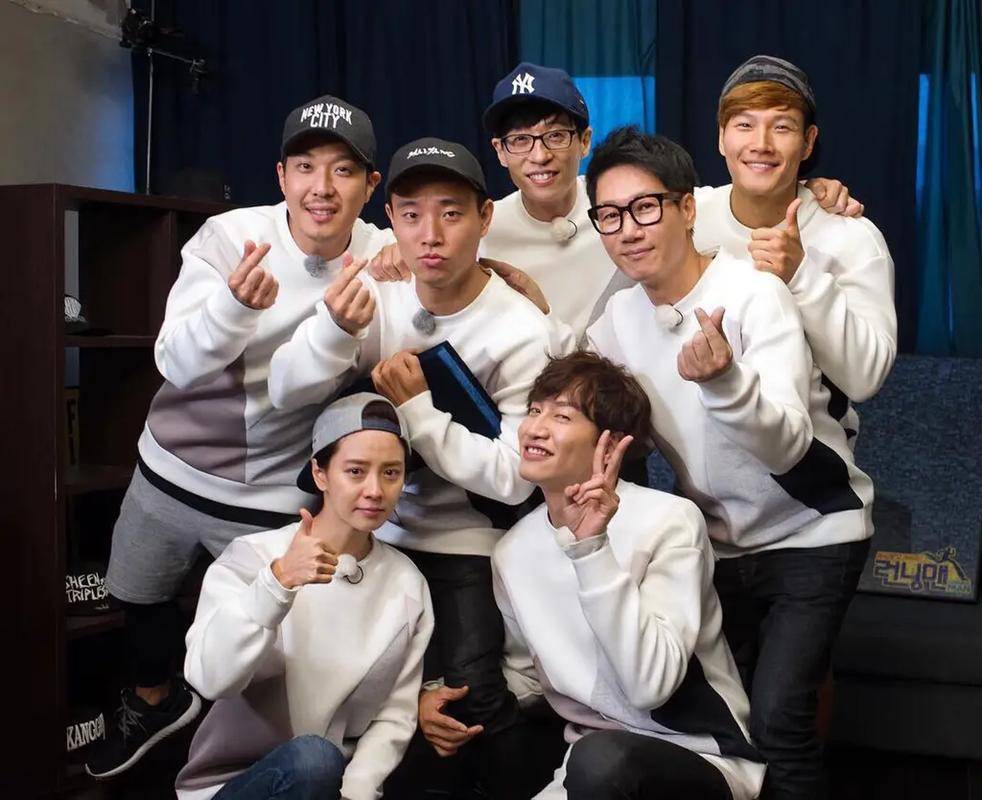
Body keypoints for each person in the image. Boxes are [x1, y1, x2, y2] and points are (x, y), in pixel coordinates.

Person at [87, 94, 393, 778]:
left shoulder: (384, 256)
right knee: (136, 596)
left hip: (272, 498)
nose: (321, 187)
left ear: (370, 186)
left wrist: (507, 274)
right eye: (305, 167)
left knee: (267, 646)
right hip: (171, 468)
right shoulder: (230, 237)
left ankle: (239, 765)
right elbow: (175, 363)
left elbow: (291, 393)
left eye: (343, 170)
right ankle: (155, 703)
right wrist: (231, 308)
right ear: (281, 176)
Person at [268, 138, 573, 793]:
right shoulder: (377, 291)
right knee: (356, 691)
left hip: (468, 541)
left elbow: (514, 478)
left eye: (451, 213)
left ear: (485, 218)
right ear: (390, 220)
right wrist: (331, 332)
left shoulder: (521, 330)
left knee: (468, 700)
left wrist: (420, 410)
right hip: (373, 532)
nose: (429, 234)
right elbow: (284, 389)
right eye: (410, 215)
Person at [585, 127, 873, 800]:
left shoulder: (754, 293)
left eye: (646, 207)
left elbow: (787, 444)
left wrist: (724, 384)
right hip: (716, 545)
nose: (628, 230)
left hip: (814, 530)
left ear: (687, 208)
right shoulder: (615, 322)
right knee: (714, 724)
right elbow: (571, 401)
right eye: (610, 215)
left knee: (779, 722)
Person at [369, 62, 861, 344]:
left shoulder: (628, 202)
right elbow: (421, 232)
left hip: (621, 406)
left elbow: (724, 201)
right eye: (519, 140)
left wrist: (807, 188)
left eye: (556, 135)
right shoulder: (475, 228)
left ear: (585, 141)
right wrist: (395, 249)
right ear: (499, 152)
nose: (539, 155)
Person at [487, 351, 765, 800]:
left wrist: (591, 548)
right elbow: (529, 678)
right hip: (585, 765)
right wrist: (443, 699)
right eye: (534, 411)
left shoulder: (668, 520)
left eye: (562, 416)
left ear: (611, 443)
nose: (535, 428)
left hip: (695, 754)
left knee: (602, 762)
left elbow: (650, 685)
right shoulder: (512, 551)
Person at [176, 392, 433, 800]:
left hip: (335, 788)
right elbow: (209, 679)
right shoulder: (255, 556)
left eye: (391, 473)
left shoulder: (407, 583)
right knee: (314, 760)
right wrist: (277, 582)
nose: (375, 490)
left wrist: (356, 793)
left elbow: (394, 715)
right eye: (355, 471)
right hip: (239, 783)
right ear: (320, 473)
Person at [695, 54, 896, 443]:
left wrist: (801, 275)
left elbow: (867, 377)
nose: (761, 144)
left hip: (810, 467)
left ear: (808, 142)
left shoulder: (851, 237)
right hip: (699, 469)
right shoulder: (687, 219)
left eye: (782, 127)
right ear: (721, 137)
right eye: (744, 125)